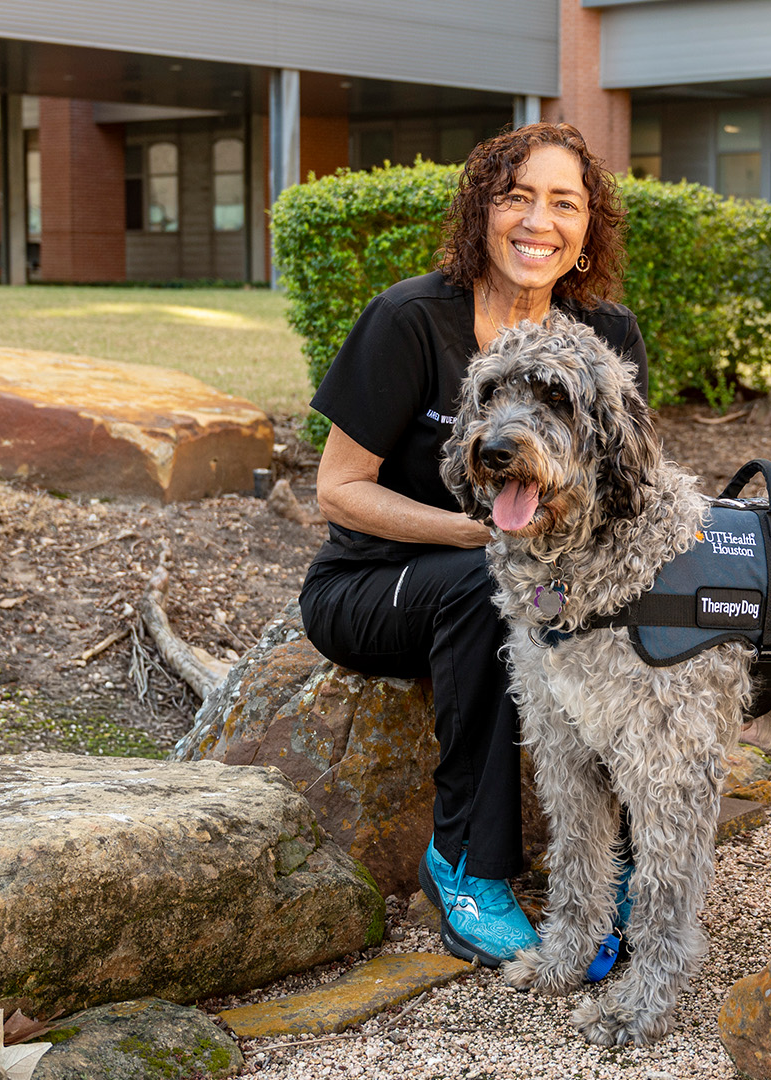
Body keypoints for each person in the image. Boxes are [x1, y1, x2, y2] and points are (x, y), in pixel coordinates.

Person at [299, 123, 647, 967]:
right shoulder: (411, 319)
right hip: (377, 582)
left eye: (564, 203)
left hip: (545, 568)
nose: (539, 222)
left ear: (588, 227)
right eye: (516, 197)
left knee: (639, 600)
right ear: (481, 212)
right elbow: (337, 489)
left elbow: (627, 482)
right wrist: (470, 530)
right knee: (491, 586)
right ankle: (466, 863)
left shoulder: (605, 335)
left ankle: (635, 859)